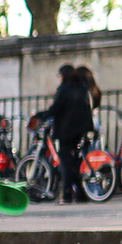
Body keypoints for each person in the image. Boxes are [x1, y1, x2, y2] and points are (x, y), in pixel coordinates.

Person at [41, 64, 96, 203]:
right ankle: (81, 193)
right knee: (76, 163)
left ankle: (66, 193)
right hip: (82, 129)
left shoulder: (64, 89)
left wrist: (41, 116)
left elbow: (56, 108)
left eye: (59, 76)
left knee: (66, 162)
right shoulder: (83, 88)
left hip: (67, 131)